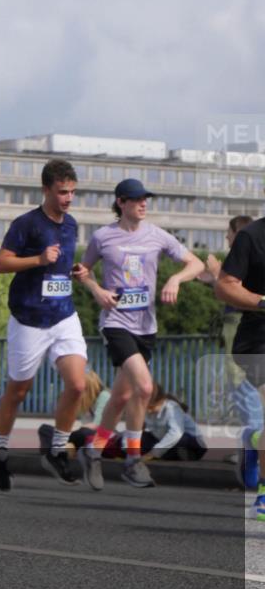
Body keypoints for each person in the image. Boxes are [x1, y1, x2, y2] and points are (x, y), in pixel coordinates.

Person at [77, 178, 204, 489]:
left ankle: (92, 452)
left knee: (121, 395)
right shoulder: (103, 237)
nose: (143, 204)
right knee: (144, 388)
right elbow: (82, 270)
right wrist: (96, 291)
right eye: (136, 200)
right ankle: (133, 460)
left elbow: (196, 263)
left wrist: (176, 280)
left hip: (146, 327)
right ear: (121, 202)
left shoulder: (157, 235)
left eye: (145, 199)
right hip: (116, 323)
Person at [0, 159, 90, 491]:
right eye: (62, 192)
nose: (68, 198)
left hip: (63, 315)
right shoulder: (26, 224)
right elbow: (1, 263)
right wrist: (38, 260)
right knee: (18, 391)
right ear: (46, 190)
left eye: (72, 192)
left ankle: (57, 450)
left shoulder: (72, 224)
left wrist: (72, 271)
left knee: (77, 385)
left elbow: (56, 267)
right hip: (29, 319)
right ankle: (0, 451)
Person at [214, 214, 265, 521]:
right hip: (258, 340)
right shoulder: (252, 237)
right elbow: (224, 286)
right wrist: (261, 302)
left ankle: (257, 438)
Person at [199, 215, 263, 434]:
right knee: (240, 383)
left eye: (229, 232)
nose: (227, 236)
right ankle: (252, 439)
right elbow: (226, 287)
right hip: (253, 336)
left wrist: (215, 274)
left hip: (240, 327)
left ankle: (252, 441)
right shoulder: (252, 238)